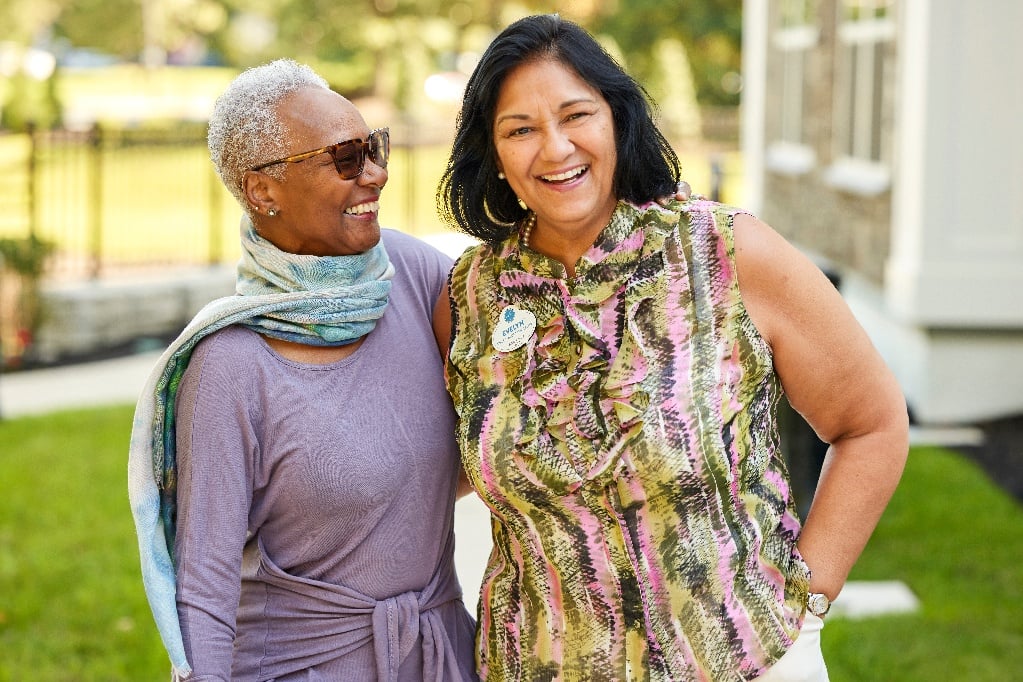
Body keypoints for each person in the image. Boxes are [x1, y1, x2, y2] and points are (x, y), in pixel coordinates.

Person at [438, 14, 909, 682]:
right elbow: (440, 461)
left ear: (616, 119)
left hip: (739, 662)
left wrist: (809, 599)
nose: (554, 148)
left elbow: (871, 423)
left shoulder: (724, 254)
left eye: (576, 115)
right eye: (519, 129)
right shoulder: (470, 295)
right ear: (492, 153)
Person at [127, 58, 478, 681]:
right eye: (346, 158)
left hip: (441, 655)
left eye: (374, 147)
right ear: (263, 190)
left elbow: (515, 411)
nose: (376, 174)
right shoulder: (229, 366)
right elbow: (204, 594)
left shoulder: (412, 276)